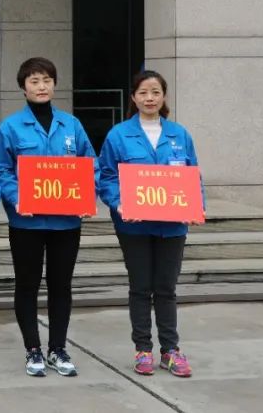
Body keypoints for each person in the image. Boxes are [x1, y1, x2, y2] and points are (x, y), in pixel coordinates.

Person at [0, 57, 97, 378]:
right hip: (27, 222)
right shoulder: (10, 127)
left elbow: (90, 163)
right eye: (34, 81)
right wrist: (17, 198)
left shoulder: (71, 125)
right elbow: (1, 171)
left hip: (66, 222)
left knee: (60, 286)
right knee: (27, 285)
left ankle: (57, 349)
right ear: (23, 87)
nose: (41, 87)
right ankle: (33, 349)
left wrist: (86, 196)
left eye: (47, 80)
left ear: (55, 85)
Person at [98, 70, 203, 379]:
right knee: (141, 287)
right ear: (133, 97)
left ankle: (170, 350)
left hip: (172, 226)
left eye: (155, 92)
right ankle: (143, 349)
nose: (149, 98)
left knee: (167, 288)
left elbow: (193, 175)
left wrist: (197, 207)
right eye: (143, 92)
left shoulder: (179, 134)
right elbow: (106, 176)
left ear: (163, 96)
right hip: (135, 226)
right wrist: (119, 203)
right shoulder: (119, 135)